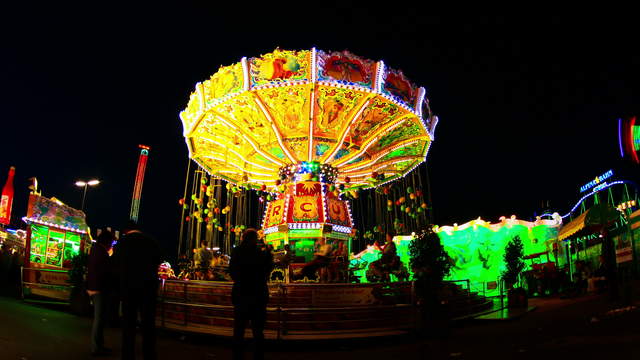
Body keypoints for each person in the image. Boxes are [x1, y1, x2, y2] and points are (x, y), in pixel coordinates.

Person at [112, 221, 162, 360]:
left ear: (126, 231)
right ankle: (149, 354)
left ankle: (128, 355)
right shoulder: (151, 242)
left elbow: (115, 265)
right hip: (148, 288)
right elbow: (158, 260)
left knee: (128, 324)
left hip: (128, 289)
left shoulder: (122, 243)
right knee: (148, 324)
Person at [229, 228, 273, 360]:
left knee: (239, 329)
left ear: (243, 238)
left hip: (241, 293)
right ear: (255, 239)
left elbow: (232, 271)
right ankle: (258, 355)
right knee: (258, 330)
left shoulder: (237, 252)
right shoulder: (261, 253)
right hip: (258, 294)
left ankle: (237, 355)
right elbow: (268, 269)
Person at [87, 230, 115, 356]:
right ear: (107, 241)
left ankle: (99, 345)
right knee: (99, 319)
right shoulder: (101, 253)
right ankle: (96, 348)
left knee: (99, 318)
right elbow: (106, 271)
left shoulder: (95, 250)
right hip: (98, 289)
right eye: (111, 242)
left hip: (93, 287)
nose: (112, 244)